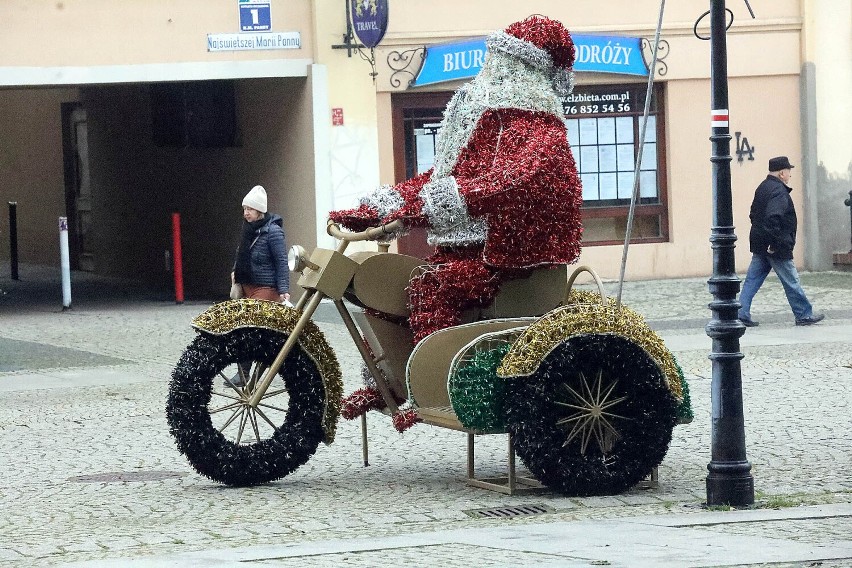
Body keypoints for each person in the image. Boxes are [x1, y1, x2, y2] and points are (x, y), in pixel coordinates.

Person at [330, 14, 583, 344]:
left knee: (430, 289)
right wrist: (383, 206)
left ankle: (435, 389)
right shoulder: (490, 124)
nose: (490, 75)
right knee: (387, 294)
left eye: (505, 66)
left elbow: (508, 183)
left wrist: (436, 204)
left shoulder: (543, 133)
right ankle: (388, 383)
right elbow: (444, 175)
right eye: (492, 62)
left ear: (528, 72)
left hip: (511, 266)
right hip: (460, 253)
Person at [738, 156, 824, 327]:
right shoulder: (779, 191)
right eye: (788, 172)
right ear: (782, 173)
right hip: (775, 246)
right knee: (791, 280)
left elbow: (753, 214)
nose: (789, 175)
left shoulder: (762, 187)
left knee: (752, 280)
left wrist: (763, 237)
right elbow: (773, 217)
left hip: (761, 244)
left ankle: (740, 312)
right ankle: (804, 314)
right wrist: (774, 243)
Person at [231, 184, 290, 304]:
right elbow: (241, 254)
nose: (246, 213)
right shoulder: (247, 229)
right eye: (245, 208)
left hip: (266, 287)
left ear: (260, 210)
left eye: (250, 209)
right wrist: (235, 271)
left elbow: (281, 261)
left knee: (253, 318)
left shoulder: (273, 231)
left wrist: (283, 289)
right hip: (246, 287)